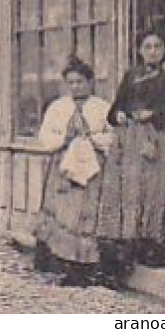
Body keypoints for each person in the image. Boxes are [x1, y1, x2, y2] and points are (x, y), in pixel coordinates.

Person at [95, 31, 165, 279]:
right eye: (147, 47)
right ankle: (127, 244)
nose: (152, 51)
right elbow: (114, 111)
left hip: (159, 139)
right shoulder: (131, 76)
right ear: (140, 51)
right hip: (131, 141)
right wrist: (119, 114)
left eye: (157, 46)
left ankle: (150, 244)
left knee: (155, 191)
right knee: (131, 191)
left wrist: (152, 115)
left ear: (164, 50)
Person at [33, 56, 115, 286]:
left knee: (85, 217)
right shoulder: (58, 107)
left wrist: (93, 139)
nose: (75, 87)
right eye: (71, 82)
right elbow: (45, 137)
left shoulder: (102, 107)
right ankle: (61, 264)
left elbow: (114, 136)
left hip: (92, 167)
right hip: (63, 165)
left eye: (80, 82)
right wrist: (64, 138)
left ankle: (85, 267)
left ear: (90, 82)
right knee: (63, 215)